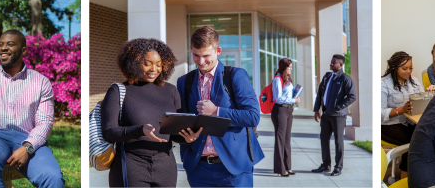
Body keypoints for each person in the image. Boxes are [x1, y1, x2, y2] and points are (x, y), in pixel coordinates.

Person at [0, 30, 65, 187]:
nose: (3, 48)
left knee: (53, 178)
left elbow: (44, 123)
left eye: (10, 44)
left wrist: (27, 148)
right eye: (1, 44)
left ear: (23, 50)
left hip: (28, 137)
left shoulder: (41, 82)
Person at [100, 38, 196, 188]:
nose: (154, 69)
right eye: (147, 63)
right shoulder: (118, 91)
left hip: (166, 166)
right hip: (131, 164)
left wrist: (188, 138)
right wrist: (140, 130)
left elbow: (176, 134)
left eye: (159, 65)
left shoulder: (171, 91)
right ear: (133, 63)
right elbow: (109, 132)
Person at [176, 26, 264, 187]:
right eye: (196, 55)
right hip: (198, 170)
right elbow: (184, 120)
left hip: (234, 169)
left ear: (218, 51)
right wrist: (186, 143)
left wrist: (216, 111)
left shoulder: (236, 75)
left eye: (206, 55)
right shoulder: (184, 82)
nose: (201, 61)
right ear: (191, 49)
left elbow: (253, 116)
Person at [380, 51, 426, 179]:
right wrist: (401, 110)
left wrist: (429, 94)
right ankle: (405, 178)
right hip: (388, 125)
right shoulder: (384, 84)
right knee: (413, 141)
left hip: (409, 122)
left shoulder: (414, 81)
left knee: (427, 135)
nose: (409, 71)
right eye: (404, 68)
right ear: (394, 68)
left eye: (411, 68)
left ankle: (422, 173)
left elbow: (423, 99)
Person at [311, 54, 357, 176]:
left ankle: (338, 167)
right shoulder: (327, 76)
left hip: (338, 116)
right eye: (331, 62)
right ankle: (326, 165)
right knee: (324, 139)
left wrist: (339, 106)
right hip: (326, 114)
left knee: (338, 141)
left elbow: (352, 96)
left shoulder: (346, 79)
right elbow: (320, 93)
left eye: (334, 62)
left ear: (341, 65)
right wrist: (317, 109)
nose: (331, 64)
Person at [271, 58, 299, 177]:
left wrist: (295, 96)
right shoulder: (277, 79)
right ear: (284, 67)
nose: (291, 69)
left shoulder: (287, 79)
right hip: (280, 110)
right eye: (289, 67)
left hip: (288, 110)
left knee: (287, 140)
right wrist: (294, 100)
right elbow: (277, 98)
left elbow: (286, 94)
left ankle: (288, 167)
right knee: (280, 139)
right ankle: (280, 169)